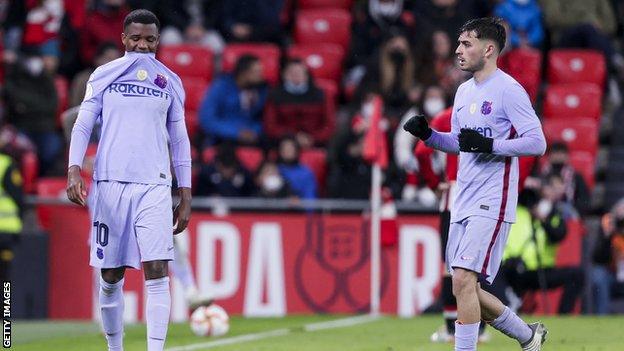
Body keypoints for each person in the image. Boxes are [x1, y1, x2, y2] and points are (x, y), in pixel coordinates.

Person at [403, 17, 547, 350]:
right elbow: (459, 143)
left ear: (489, 48)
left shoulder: (509, 90)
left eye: (466, 43)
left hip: (492, 198)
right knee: (464, 287)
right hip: (463, 199)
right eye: (459, 43)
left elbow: (537, 142)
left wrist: (492, 145)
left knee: (465, 280)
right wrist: (429, 136)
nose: (458, 50)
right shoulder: (465, 90)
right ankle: (528, 335)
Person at [66, 9, 192, 351]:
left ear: (158, 40)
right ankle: (115, 347)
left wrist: (185, 191)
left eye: (149, 39)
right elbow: (82, 123)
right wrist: (74, 168)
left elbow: (179, 139)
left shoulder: (170, 81)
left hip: (154, 185)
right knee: (111, 276)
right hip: (110, 184)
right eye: (135, 38)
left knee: (157, 269)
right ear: (124, 38)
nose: (142, 45)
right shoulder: (104, 75)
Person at [264, 59, 335, 148]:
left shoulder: (321, 95)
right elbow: (271, 126)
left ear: (307, 75)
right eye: (292, 72)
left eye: (299, 72)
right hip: (283, 144)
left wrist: (313, 138)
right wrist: (293, 138)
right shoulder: (274, 95)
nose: (295, 76)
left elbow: (329, 125)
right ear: (284, 75)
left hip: (316, 143)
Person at [199, 54, 267, 146]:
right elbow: (207, 120)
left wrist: (254, 131)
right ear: (244, 73)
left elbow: (261, 119)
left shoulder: (261, 90)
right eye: (257, 72)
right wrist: (236, 133)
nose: (261, 76)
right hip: (222, 138)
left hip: (251, 139)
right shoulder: (221, 87)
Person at [0, 152, 23, 283]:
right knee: (4, 278)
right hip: (5, 229)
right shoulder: (5, 163)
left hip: (5, 231)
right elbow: (18, 195)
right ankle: (6, 304)